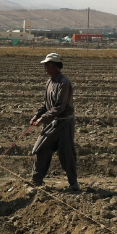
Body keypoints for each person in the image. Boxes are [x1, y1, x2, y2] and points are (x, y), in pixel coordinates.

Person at [29, 53, 79, 191]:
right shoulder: (50, 82)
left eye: (46, 65)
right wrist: (37, 115)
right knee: (42, 148)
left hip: (64, 124)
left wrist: (42, 119)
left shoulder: (64, 83)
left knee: (66, 153)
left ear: (54, 66)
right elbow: (46, 105)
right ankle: (36, 179)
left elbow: (59, 107)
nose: (44, 67)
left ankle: (73, 184)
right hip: (51, 122)